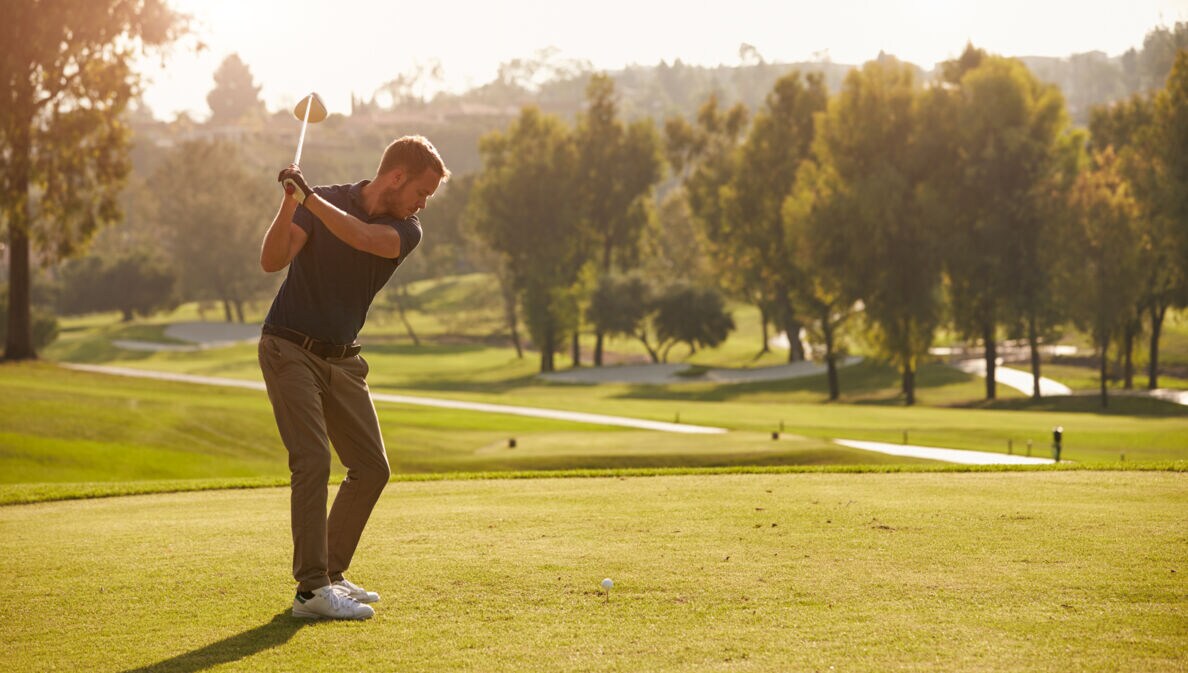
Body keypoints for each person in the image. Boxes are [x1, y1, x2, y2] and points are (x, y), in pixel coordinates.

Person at [258, 136, 449, 620]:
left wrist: (309, 199)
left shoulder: (405, 229)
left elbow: (364, 239)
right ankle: (311, 592)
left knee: (371, 466)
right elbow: (272, 260)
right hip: (288, 347)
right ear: (397, 176)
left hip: (342, 359)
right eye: (422, 192)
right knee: (313, 458)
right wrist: (289, 205)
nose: (423, 204)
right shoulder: (323, 199)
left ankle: (332, 573)